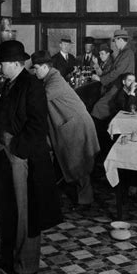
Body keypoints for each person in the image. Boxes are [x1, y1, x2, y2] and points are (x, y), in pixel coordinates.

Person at [0, 41, 62, 274]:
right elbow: (5, 113)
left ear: (14, 64)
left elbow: (37, 124)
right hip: (8, 152)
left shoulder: (31, 85)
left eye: (2, 62)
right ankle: (10, 258)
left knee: (25, 212)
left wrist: (15, 149)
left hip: (22, 156)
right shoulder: (11, 83)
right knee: (9, 208)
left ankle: (25, 266)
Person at [30, 50, 100, 210]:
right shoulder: (50, 77)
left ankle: (86, 201)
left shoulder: (55, 81)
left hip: (76, 126)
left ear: (44, 67)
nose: (34, 72)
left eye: (36, 68)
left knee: (79, 164)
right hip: (71, 124)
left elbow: (38, 100)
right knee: (74, 163)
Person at [90, 29, 135, 156]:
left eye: (116, 41)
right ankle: (102, 143)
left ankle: (100, 146)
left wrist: (101, 79)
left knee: (98, 108)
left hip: (119, 88)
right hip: (117, 86)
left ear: (121, 40)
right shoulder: (124, 52)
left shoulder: (127, 53)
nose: (115, 44)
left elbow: (117, 72)